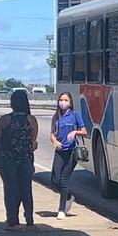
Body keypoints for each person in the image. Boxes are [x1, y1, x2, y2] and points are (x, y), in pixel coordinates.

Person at [0, 89, 39, 231]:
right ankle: (29, 222)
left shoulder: (5, 119)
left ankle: (12, 222)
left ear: (12, 103)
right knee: (26, 190)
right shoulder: (32, 120)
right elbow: (33, 142)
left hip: (7, 160)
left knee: (10, 190)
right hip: (26, 160)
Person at [50, 92, 87, 220]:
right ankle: (68, 196)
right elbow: (52, 134)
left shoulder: (75, 115)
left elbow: (84, 131)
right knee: (55, 179)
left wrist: (75, 132)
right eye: (61, 100)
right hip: (60, 151)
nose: (63, 102)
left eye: (65, 100)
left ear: (70, 102)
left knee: (64, 179)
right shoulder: (56, 117)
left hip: (71, 151)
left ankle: (61, 209)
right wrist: (55, 142)